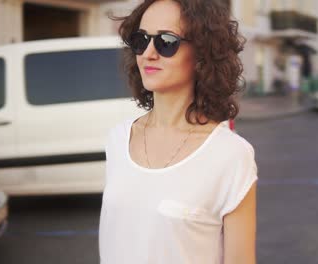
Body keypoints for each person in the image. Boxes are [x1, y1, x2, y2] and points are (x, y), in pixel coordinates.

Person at [99, 0, 258, 263]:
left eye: (166, 41)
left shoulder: (231, 156)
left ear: (202, 54)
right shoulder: (118, 139)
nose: (148, 53)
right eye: (141, 40)